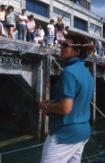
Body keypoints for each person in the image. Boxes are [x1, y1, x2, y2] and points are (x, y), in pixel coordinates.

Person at [40, 33, 94, 163]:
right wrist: (53, 102)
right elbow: (77, 102)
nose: (61, 47)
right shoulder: (87, 74)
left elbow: (65, 108)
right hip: (83, 132)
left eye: (65, 45)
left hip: (65, 134)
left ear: (77, 50)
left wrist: (46, 106)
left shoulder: (69, 72)